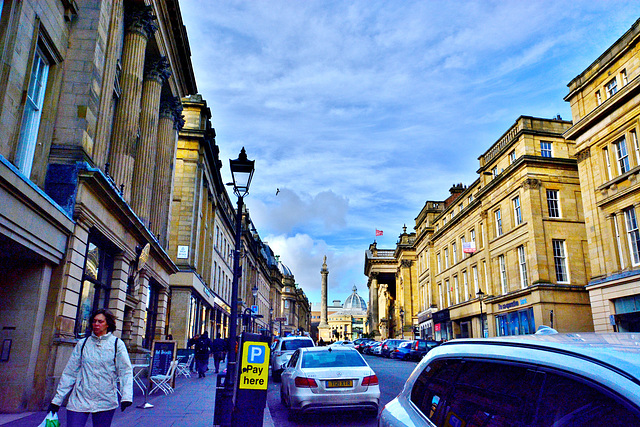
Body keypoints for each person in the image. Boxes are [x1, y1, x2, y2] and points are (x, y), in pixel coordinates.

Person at [47, 308, 133, 427]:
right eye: (94, 321)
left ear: (108, 324)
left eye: (100, 321)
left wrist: (126, 396)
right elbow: (70, 372)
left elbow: (125, 372)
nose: (96, 324)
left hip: (105, 400)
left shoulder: (117, 344)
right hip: (80, 398)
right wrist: (57, 400)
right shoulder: (83, 344)